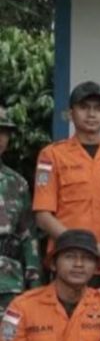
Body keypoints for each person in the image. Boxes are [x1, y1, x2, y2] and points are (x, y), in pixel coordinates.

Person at [32, 82, 100, 315]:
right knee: (64, 335)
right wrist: (88, 247)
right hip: (69, 267)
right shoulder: (52, 155)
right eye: (84, 107)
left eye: (98, 108)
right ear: (71, 114)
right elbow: (42, 215)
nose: (91, 114)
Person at [0, 107, 40, 311]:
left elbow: (28, 236)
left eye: (3, 132)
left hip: (8, 283)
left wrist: (34, 281)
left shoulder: (18, 183)